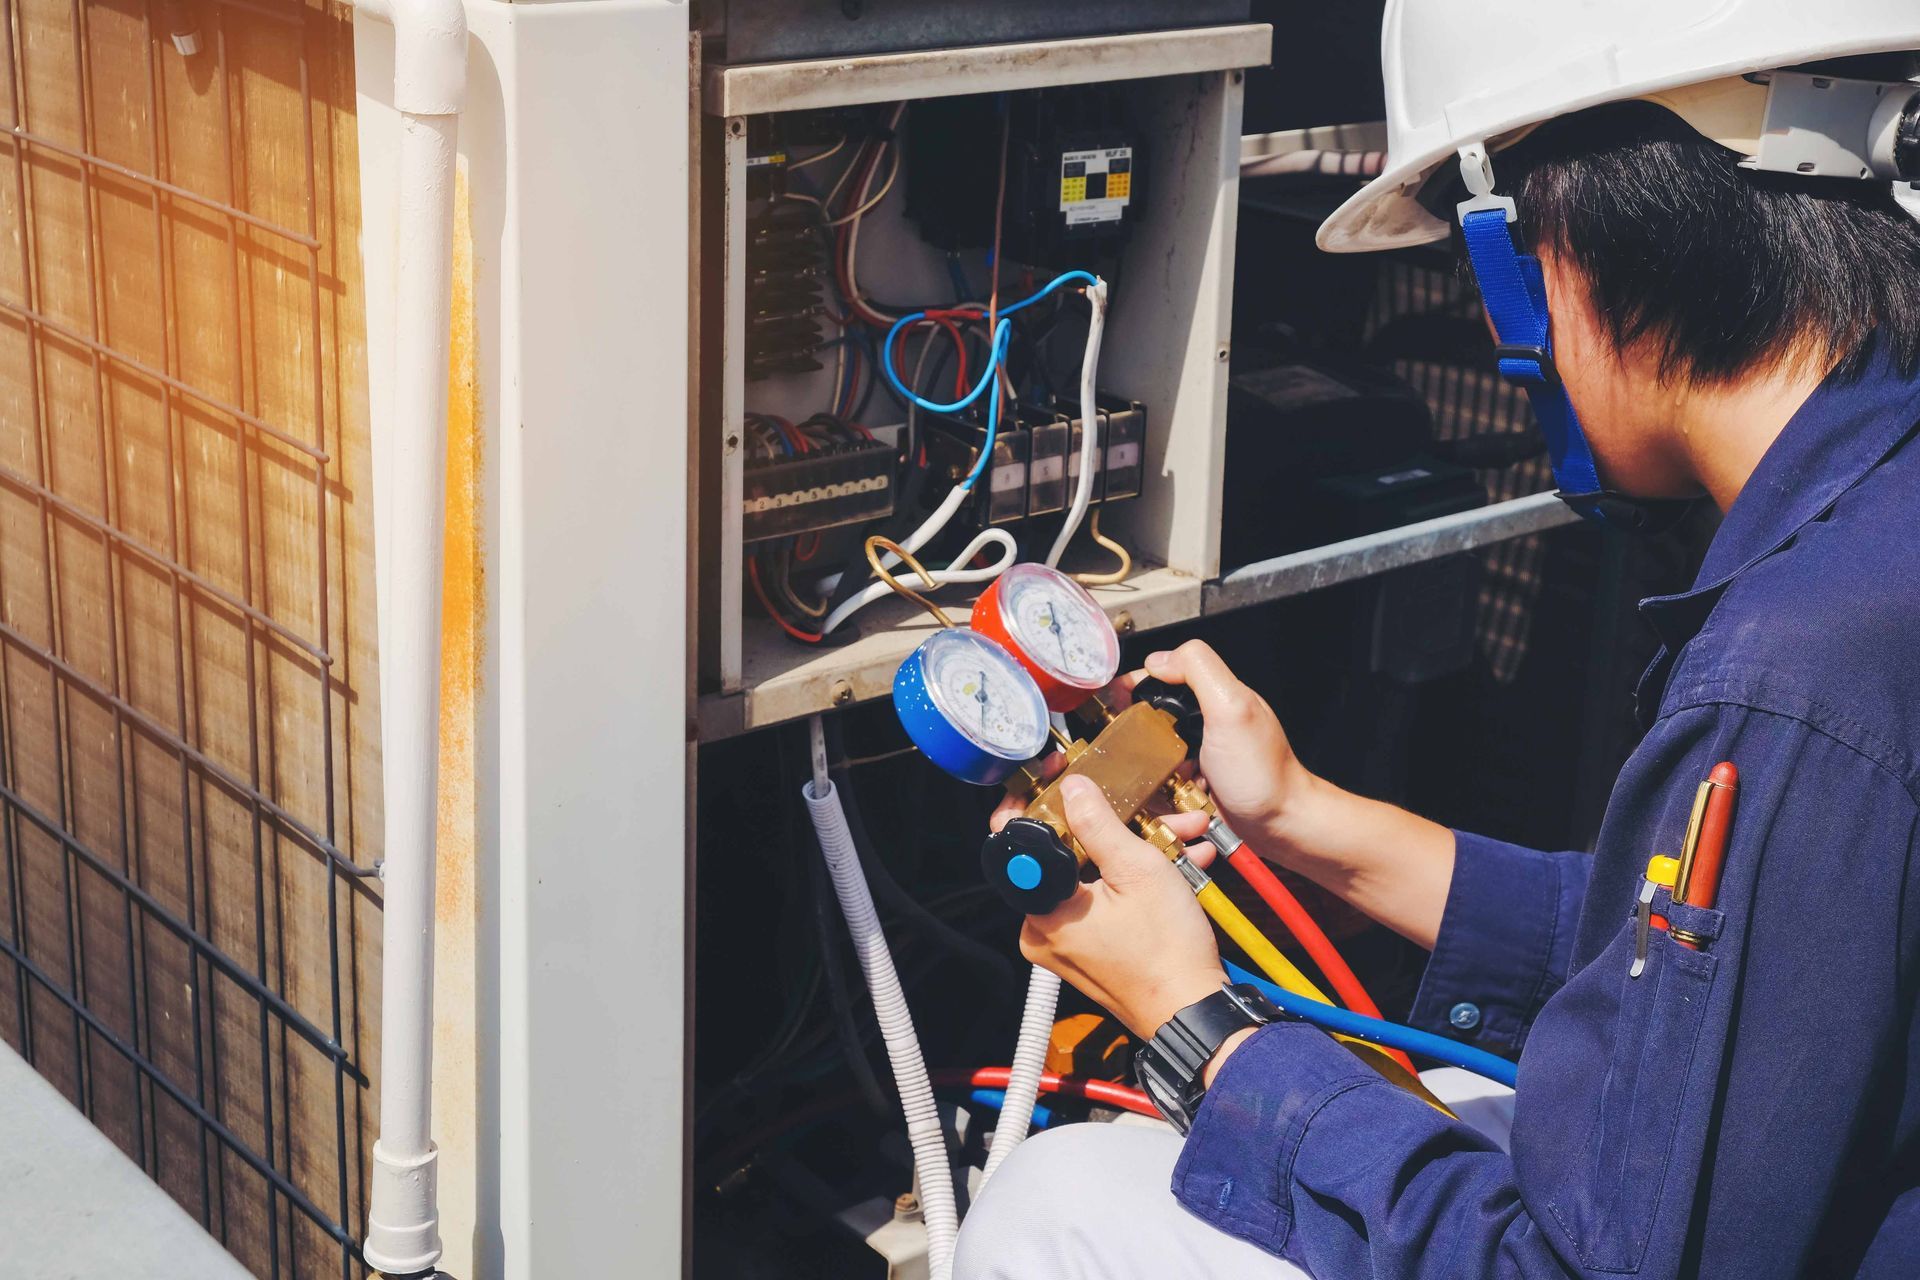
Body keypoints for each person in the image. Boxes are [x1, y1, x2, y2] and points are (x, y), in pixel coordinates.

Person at [954, 3, 1920, 1277]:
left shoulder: (1794, 677)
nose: (1500, 339)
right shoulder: (1869, 556)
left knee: (1057, 1200)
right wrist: (1298, 813)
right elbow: (1723, 962)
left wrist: (1194, 1025)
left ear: (1556, 248)